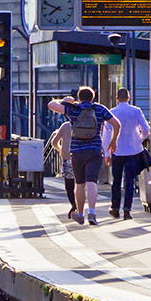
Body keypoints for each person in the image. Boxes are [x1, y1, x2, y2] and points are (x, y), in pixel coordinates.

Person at [47, 87, 121, 225]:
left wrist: (65, 100)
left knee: (79, 184)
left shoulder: (73, 109)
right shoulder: (99, 109)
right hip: (94, 151)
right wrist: (113, 141)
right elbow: (116, 124)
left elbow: (51, 105)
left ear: (79, 98)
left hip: (77, 152)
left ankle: (80, 214)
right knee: (91, 182)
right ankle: (92, 213)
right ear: (92, 98)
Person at [102, 88, 150, 220]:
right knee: (130, 181)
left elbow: (106, 134)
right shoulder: (136, 111)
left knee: (116, 181)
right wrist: (138, 139)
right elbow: (146, 130)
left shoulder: (111, 112)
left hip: (116, 151)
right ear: (128, 98)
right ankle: (127, 210)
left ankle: (115, 208)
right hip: (133, 151)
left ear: (116, 98)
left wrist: (106, 153)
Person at [47, 121, 77, 221]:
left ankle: (74, 204)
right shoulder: (83, 123)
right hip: (80, 157)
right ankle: (79, 205)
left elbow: (54, 142)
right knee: (80, 184)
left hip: (67, 159)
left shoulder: (65, 126)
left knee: (69, 186)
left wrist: (60, 149)